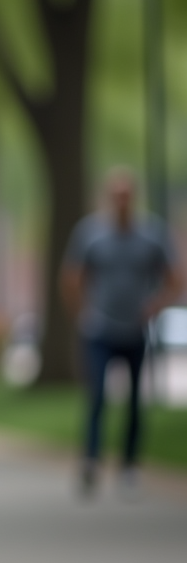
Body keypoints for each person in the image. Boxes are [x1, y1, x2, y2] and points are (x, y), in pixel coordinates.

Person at [60, 168, 181, 498]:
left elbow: (175, 276)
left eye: (126, 196)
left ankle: (129, 466)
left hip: (136, 330)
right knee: (97, 395)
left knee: (133, 402)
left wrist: (157, 304)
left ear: (134, 198)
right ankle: (92, 460)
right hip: (98, 328)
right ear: (108, 198)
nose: (121, 202)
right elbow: (72, 276)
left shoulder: (152, 233)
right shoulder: (90, 233)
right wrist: (82, 312)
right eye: (116, 196)